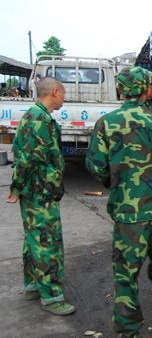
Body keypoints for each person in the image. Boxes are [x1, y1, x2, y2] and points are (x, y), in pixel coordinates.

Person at [85, 66, 152, 337]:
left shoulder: (107, 123)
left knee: (126, 274)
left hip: (127, 215)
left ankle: (129, 329)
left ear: (120, 90)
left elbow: (95, 165)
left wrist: (116, 185)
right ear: (147, 90)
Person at [6, 77, 75, 316]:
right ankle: (52, 296)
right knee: (47, 243)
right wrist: (16, 188)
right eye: (63, 93)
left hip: (37, 191)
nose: (64, 98)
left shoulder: (36, 116)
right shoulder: (38, 120)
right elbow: (26, 160)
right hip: (40, 193)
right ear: (54, 92)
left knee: (34, 240)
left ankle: (33, 285)